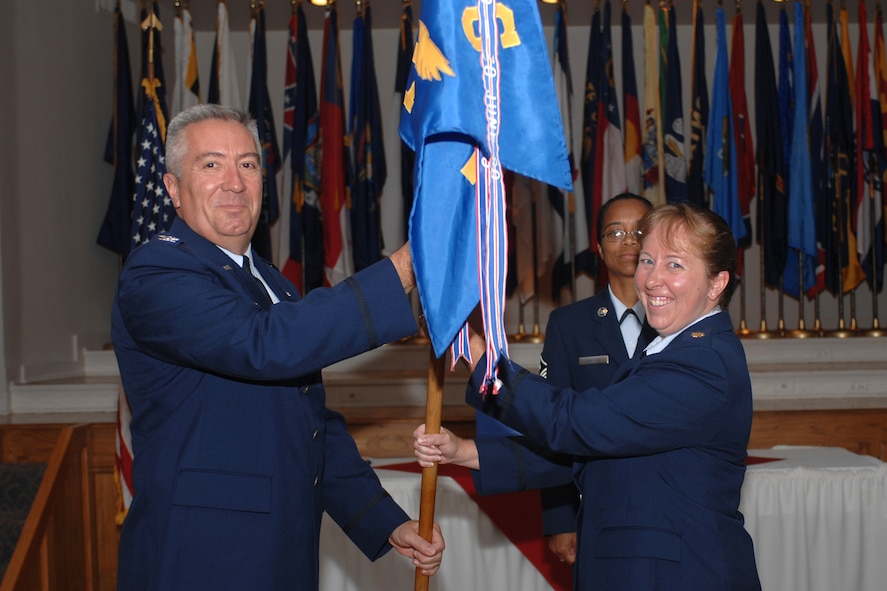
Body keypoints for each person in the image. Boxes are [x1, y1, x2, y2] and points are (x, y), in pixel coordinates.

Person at [112, 104, 444, 591]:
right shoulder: (156, 272)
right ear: (171, 189)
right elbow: (261, 344)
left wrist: (386, 522)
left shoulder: (272, 284)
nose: (234, 181)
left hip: (284, 552)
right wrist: (407, 267)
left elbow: (311, 427)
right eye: (211, 164)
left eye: (247, 164)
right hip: (198, 559)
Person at [415, 203, 761, 590]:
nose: (651, 279)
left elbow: (576, 423)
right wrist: (464, 451)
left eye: (675, 265)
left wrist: (482, 361)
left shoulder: (701, 363)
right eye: (647, 260)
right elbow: (597, 450)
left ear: (717, 283)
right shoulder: (670, 348)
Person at [476, 193, 656, 567]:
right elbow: (552, 426)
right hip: (598, 506)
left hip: (666, 504)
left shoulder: (679, 319)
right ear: (599, 247)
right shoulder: (569, 324)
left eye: (640, 231)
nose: (629, 241)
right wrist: (561, 519)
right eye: (615, 233)